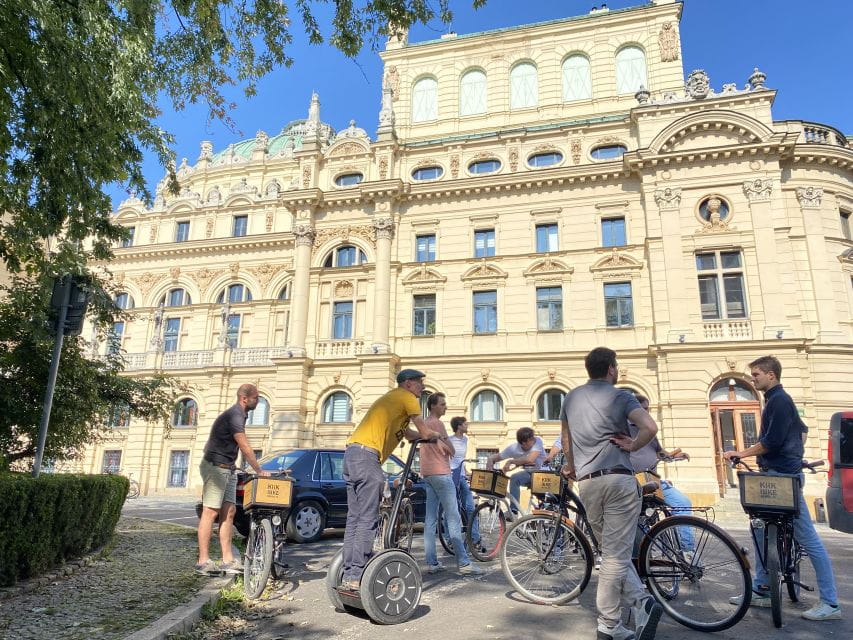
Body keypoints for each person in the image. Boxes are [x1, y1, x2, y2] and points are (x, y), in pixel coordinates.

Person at [723, 356, 841, 621]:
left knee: (808, 539)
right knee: (758, 528)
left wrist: (740, 453)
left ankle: (831, 603)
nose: (753, 379)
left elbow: (770, 442)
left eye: (756, 375)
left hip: (782, 478)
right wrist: (795, 453)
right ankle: (763, 589)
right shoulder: (779, 401)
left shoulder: (778, 400)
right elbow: (802, 431)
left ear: (771, 376)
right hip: (782, 474)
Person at [560, 347, 663, 640]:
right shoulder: (621, 396)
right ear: (612, 369)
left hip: (588, 483)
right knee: (616, 556)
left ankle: (642, 603)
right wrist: (632, 444)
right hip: (618, 480)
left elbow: (566, 439)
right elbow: (650, 427)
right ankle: (608, 623)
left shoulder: (571, 397)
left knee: (610, 550)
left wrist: (571, 467)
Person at [340, 369, 442, 591]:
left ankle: (349, 572)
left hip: (352, 455)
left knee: (355, 519)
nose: (422, 387)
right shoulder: (407, 398)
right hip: (367, 457)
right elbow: (424, 431)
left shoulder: (394, 402)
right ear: (407, 384)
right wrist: (435, 436)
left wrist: (426, 437)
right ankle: (357, 574)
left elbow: (410, 434)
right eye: (419, 383)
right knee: (368, 519)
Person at [197, 383, 269, 575]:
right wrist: (259, 470)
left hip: (227, 469)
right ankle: (203, 561)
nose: (258, 401)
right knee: (210, 512)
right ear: (245, 398)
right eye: (256, 398)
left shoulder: (241, 414)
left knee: (229, 512)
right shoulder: (235, 414)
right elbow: (244, 445)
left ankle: (227, 560)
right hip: (215, 467)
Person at [421, 394, 482, 575]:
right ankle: (464, 563)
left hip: (428, 474)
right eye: (442, 404)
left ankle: (432, 563)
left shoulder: (423, 423)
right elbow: (451, 450)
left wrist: (443, 445)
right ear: (433, 406)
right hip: (441, 473)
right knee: (453, 518)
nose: (445, 407)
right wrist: (446, 446)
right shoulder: (437, 424)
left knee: (430, 520)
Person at [628, 394, 694, 550]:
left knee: (683, 503)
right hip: (633, 483)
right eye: (642, 409)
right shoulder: (622, 428)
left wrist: (673, 456)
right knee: (638, 519)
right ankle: (641, 558)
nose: (646, 413)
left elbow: (659, 452)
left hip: (654, 481)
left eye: (648, 409)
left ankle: (687, 551)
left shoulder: (649, 429)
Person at [486, 427, 547, 515]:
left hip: (543, 474)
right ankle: (514, 511)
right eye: (531, 439)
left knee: (516, 478)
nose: (534, 440)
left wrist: (511, 461)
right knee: (515, 478)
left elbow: (530, 459)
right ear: (524, 442)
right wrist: (490, 459)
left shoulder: (538, 441)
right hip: (529, 474)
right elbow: (498, 457)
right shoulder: (513, 448)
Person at [449, 416, 483, 552]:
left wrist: (466, 472)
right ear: (459, 426)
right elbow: (449, 460)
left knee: (470, 507)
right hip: (451, 477)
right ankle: (451, 539)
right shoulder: (450, 440)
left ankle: (474, 539)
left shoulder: (465, 440)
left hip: (462, 477)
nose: (467, 426)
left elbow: (460, 460)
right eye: (465, 424)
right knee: (452, 509)